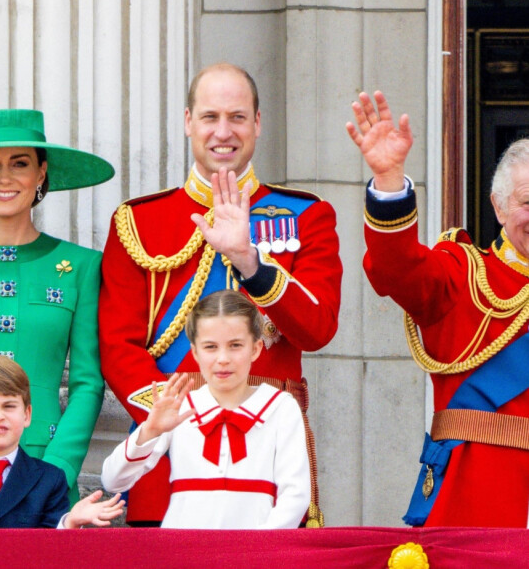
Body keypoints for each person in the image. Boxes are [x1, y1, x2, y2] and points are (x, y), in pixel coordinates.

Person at [99, 62, 342, 526]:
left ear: (257, 123)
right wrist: (179, 420)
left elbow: (317, 329)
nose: (223, 132)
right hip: (169, 463)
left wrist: (252, 263)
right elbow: (116, 347)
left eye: (237, 117)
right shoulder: (138, 221)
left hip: (271, 452)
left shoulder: (307, 215)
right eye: (210, 117)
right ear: (189, 121)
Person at [347, 90, 529, 528]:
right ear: (499, 207)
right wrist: (389, 181)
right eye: (528, 203)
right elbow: (397, 269)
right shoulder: (463, 274)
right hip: (479, 500)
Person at [0, 109, 114, 504]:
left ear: (41, 173)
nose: (5, 177)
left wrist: (59, 467)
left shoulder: (82, 265)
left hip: (44, 462)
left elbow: (88, 382)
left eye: (19, 163)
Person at [102, 290, 310, 529]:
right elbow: (113, 480)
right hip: (182, 552)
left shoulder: (281, 407)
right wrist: (150, 430)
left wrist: (258, 550)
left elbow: (295, 494)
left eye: (235, 346)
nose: (223, 358)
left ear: (256, 348)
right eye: (211, 347)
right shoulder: (181, 407)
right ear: (195, 352)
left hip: (253, 554)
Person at [0, 352, 124, 528]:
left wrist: (68, 522)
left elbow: (49, 548)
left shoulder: (49, 479)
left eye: (8, 406)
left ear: (27, 414)